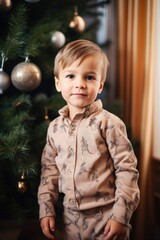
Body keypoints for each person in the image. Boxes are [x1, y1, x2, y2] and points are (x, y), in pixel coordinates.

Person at [37, 39, 140, 240]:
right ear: (58, 83)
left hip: (108, 218)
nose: (80, 84)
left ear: (100, 85)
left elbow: (127, 170)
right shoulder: (55, 128)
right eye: (70, 76)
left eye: (90, 77)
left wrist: (120, 216)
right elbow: (49, 172)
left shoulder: (109, 124)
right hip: (70, 220)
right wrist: (46, 210)